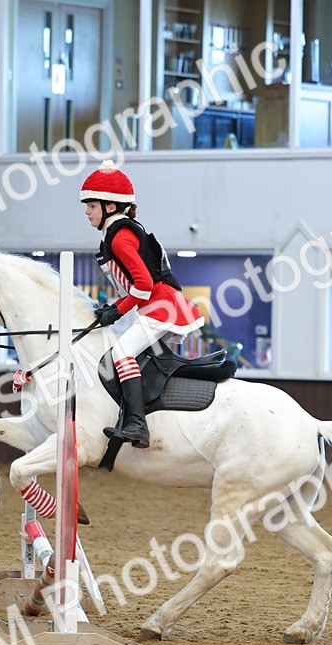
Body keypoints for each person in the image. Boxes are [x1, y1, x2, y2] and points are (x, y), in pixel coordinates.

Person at [80, 160, 204, 448]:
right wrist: (115, 307)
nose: (86, 212)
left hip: (161, 305)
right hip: (157, 304)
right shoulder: (117, 233)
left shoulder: (120, 237)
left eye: (91, 206)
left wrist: (117, 310)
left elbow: (145, 284)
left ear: (110, 207)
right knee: (131, 354)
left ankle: (137, 424)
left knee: (122, 354)